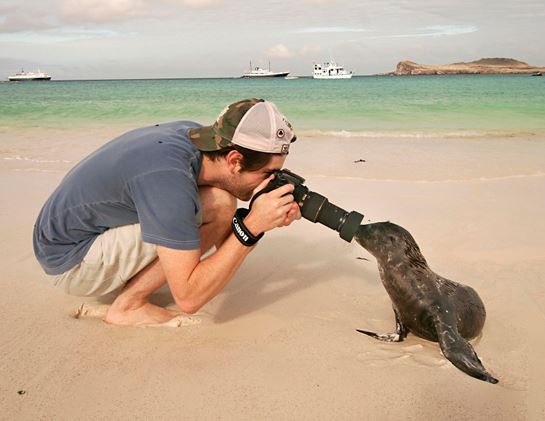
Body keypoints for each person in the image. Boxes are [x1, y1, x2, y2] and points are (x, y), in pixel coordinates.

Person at [33, 98, 300, 326]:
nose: (270, 181)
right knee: (214, 205)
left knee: (219, 202)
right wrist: (251, 228)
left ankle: (137, 290)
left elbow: (222, 234)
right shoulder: (169, 179)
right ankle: (128, 306)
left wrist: (259, 219)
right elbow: (188, 298)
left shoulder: (194, 139)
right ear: (234, 160)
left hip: (75, 231)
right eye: (268, 173)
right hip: (70, 261)